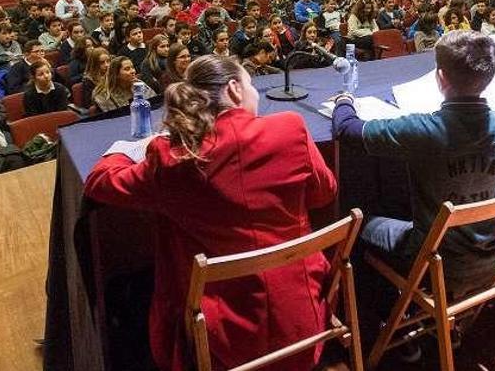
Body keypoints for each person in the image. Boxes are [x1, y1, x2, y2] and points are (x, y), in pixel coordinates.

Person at [85, 54, 336, 371]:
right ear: (234, 89)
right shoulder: (291, 129)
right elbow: (324, 193)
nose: (255, 93)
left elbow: (98, 182)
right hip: (304, 321)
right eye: (251, 84)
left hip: (223, 340)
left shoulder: (171, 157)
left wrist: (121, 150)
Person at [333, 30, 495, 318]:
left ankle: (387, 319)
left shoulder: (424, 130)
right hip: (492, 251)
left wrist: (344, 99)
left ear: (441, 78)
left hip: (437, 260)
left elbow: (347, 130)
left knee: (359, 225)